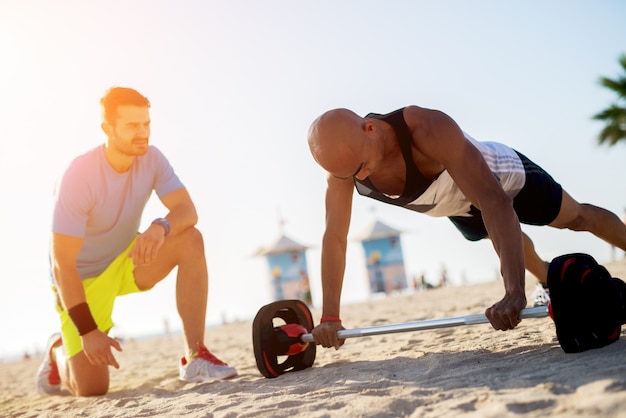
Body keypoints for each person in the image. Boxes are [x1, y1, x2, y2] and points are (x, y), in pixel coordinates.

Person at [307, 106, 626, 350]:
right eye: (349, 174)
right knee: (496, 236)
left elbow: (494, 201)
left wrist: (513, 292)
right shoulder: (344, 167)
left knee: (576, 218)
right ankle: (548, 281)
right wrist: (330, 318)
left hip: (498, 176)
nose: (358, 178)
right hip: (455, 205)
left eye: (360, 168)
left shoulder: (425, 128)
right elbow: (335, 238)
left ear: (370, 128)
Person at [36, 87, 237, 396]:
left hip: (127, 258)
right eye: (132, 126)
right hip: (81, 279)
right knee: (91, 389)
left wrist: (161, 226)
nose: (142, 133)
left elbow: (188, 211)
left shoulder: (152, 158)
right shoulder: (78, 175)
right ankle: (57, 351)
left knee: (190, 239)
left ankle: (195, 356)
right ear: (107, 129)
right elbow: (63, 264)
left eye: (146, 124)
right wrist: (88, 331)